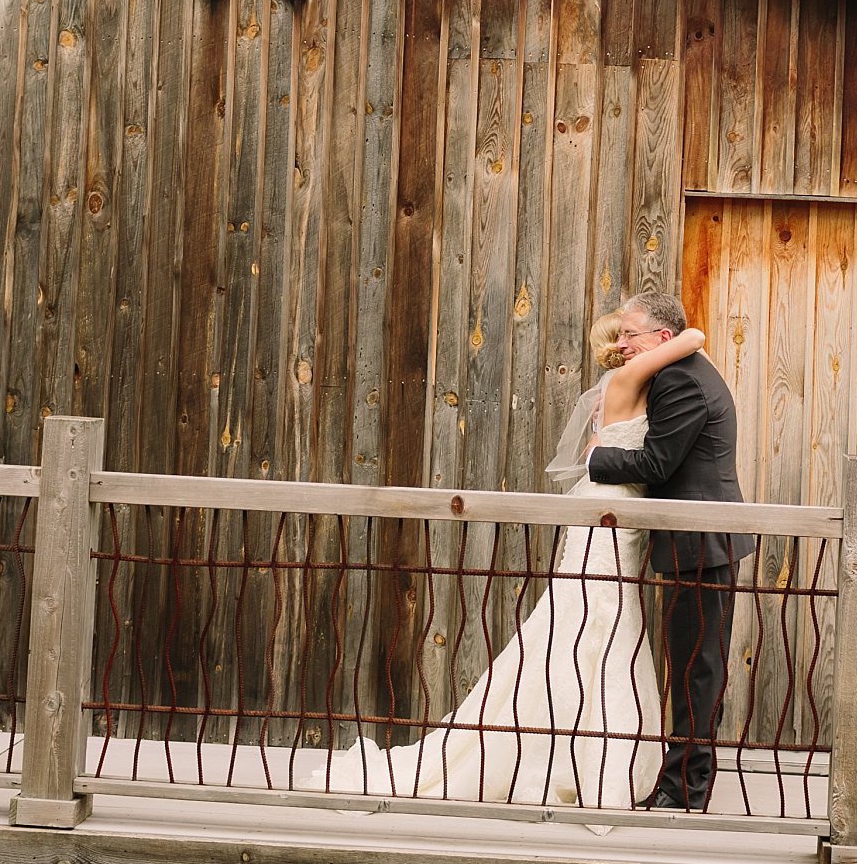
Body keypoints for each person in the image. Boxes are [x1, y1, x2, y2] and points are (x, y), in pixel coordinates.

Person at [293, 312, 709, 824]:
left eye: (631, 335)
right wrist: (691, 337)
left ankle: (588, 753)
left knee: (605, 631)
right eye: (620, 337)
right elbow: (690, 339)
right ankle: (568, 759)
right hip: (605, 516)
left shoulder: (644, 382)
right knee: (586, 625)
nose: (626, 345)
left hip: (621, 517)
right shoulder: (628, 378)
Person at [583, 290, 749, 812]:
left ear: (661, 337)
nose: (622, 343)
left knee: (697, 669)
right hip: (697, 541)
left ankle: (686, 792)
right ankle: (682, 782)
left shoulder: (679, 379)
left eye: (630, 333)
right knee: (693, 666)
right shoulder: (686, 368)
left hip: (701, 543)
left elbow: (657, 465)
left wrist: (597, 459)